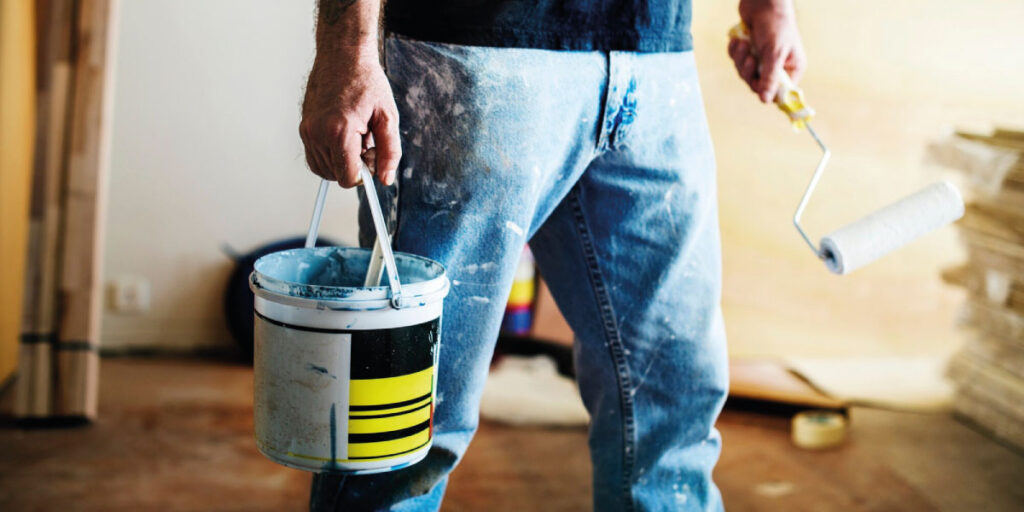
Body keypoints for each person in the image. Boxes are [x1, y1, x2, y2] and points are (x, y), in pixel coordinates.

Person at [299, 0, 806, 510]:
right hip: (473, 54)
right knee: (401, 431)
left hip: (657, 55)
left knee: (673, 410)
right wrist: (349, 51)